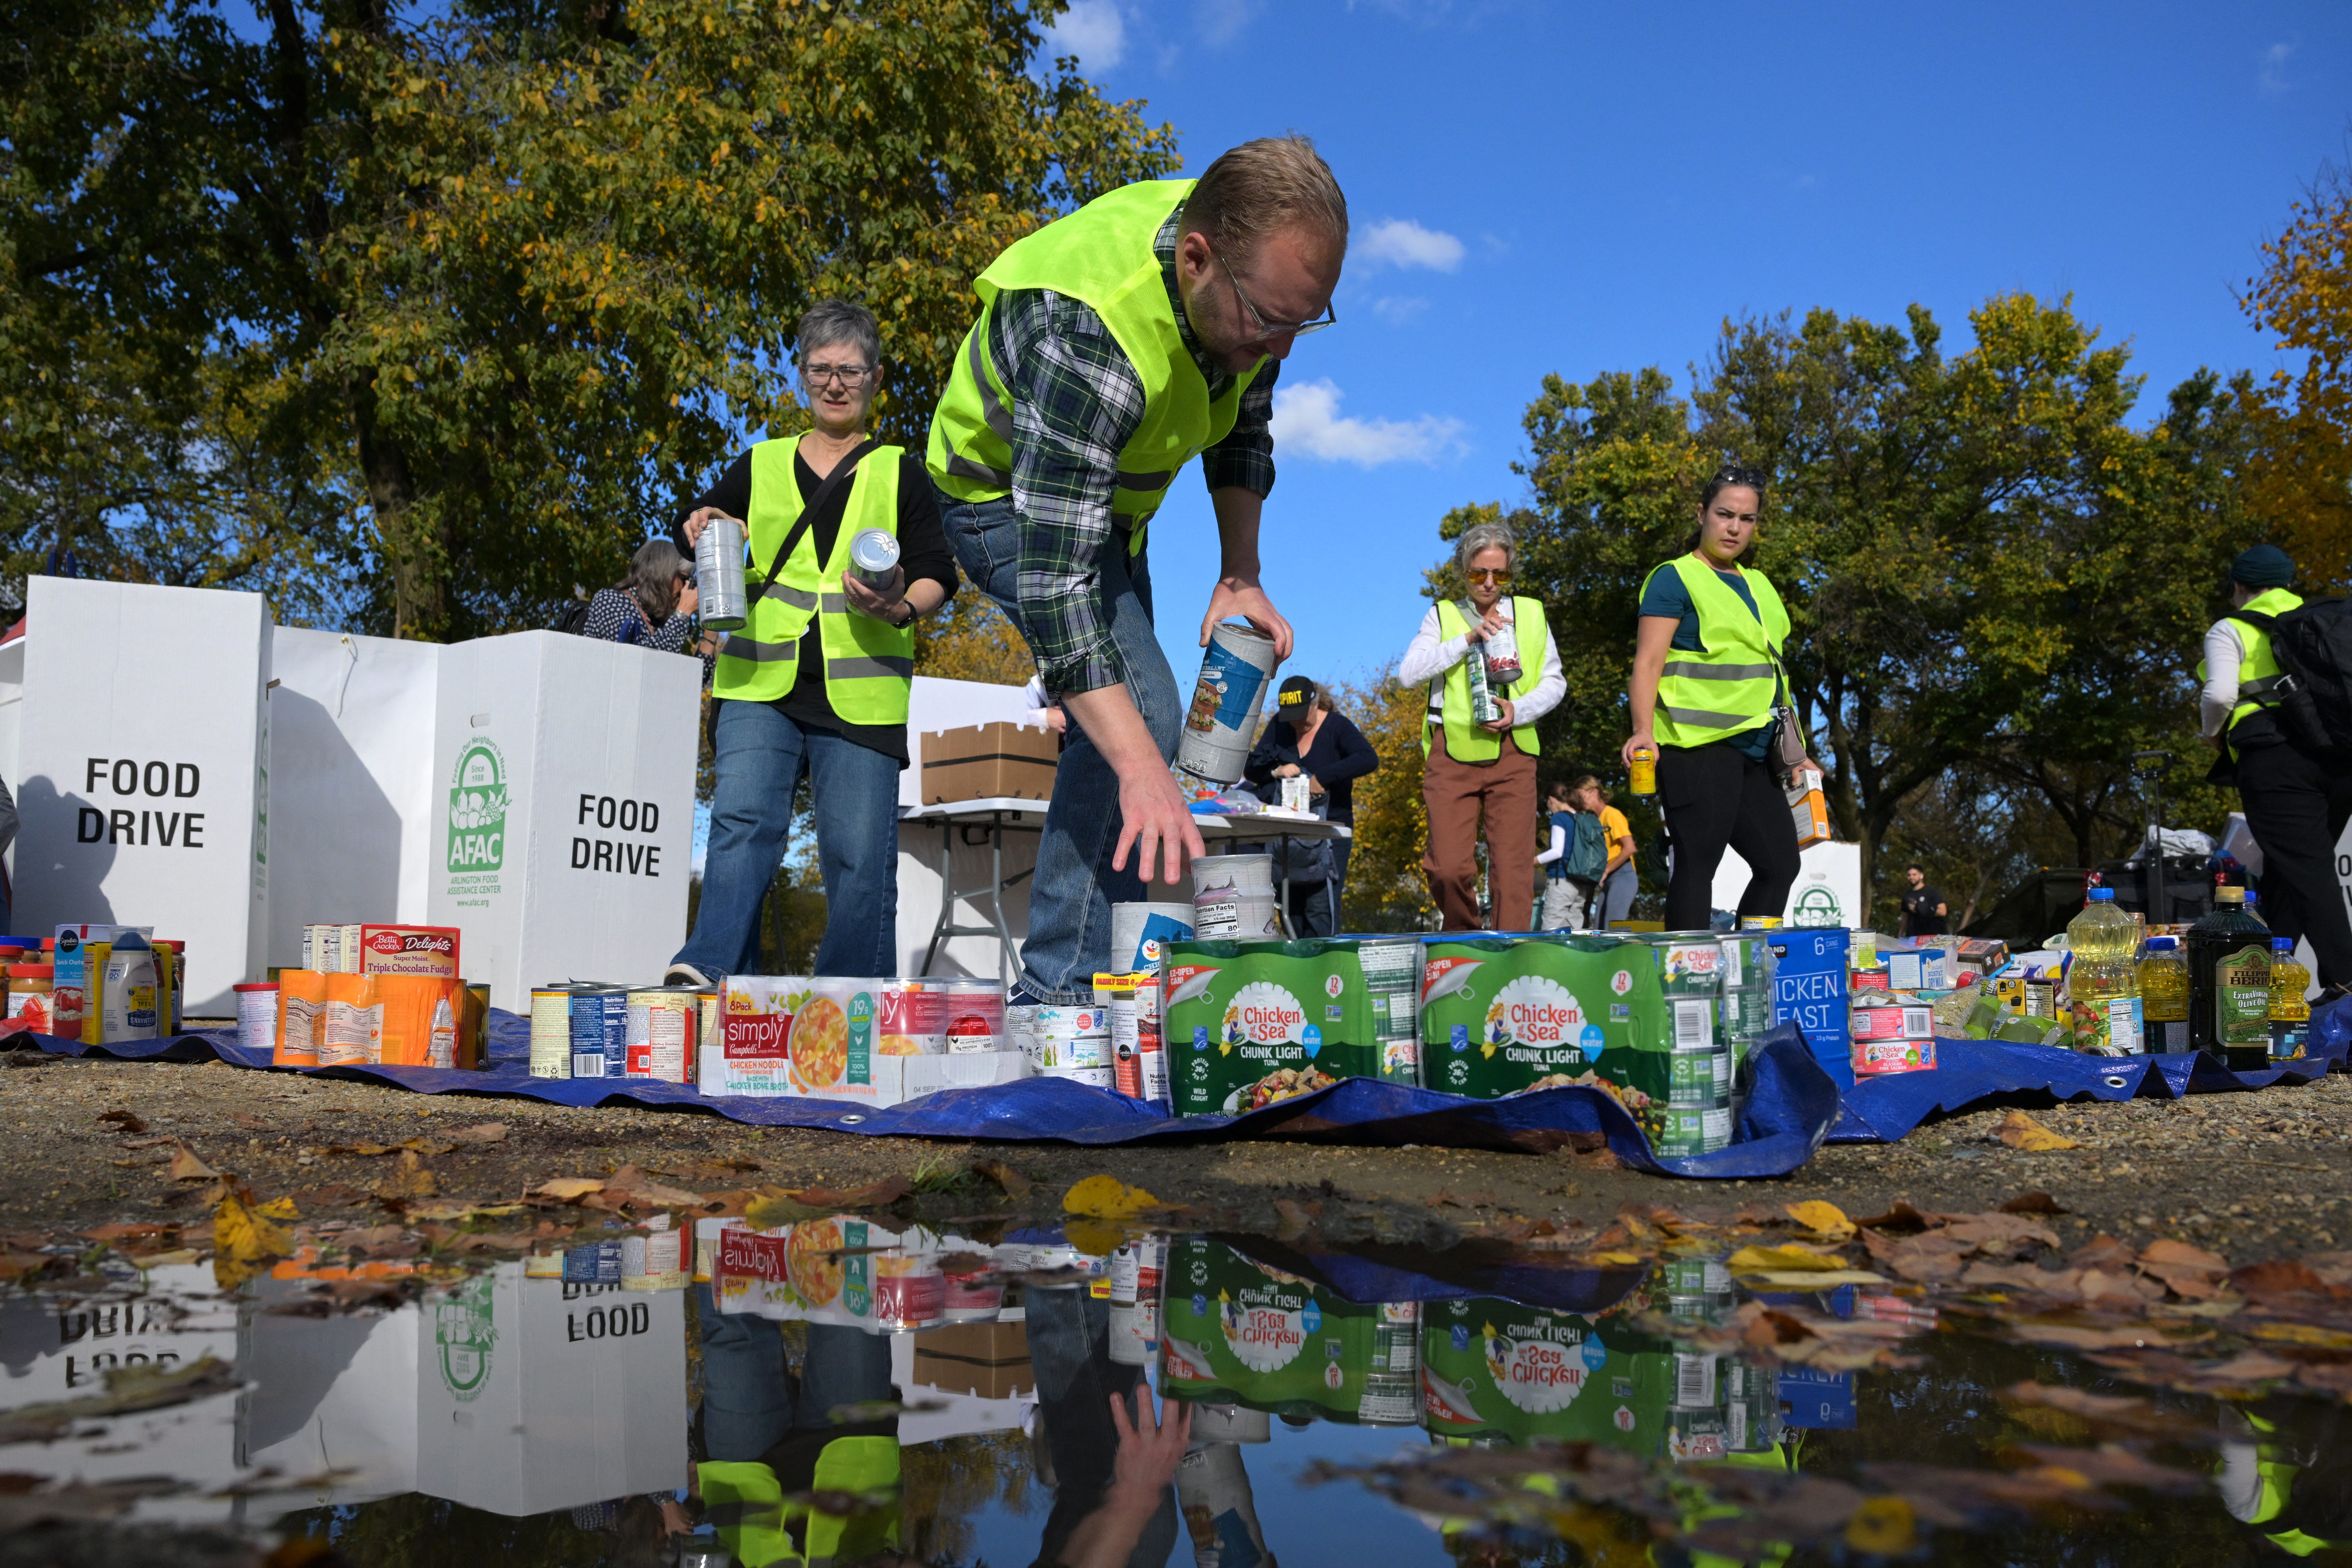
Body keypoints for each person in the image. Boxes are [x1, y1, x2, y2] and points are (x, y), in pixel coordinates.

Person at [927, 136, 1347, 1007]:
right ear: (1197, 260)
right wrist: (1140, 756)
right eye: (1272, 320)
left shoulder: (1244, 284)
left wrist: (1240, 571)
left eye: (1306, 321)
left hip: (1106, 511)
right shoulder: (1088, 333)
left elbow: (1241, 426)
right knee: (1143, 721)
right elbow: (1055, 588)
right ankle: (1057, 998)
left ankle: (1111, 979)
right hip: (999, 503)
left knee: (1130, 742)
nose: (1284, 348)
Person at [664, 300, 958, 986]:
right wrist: (702, 520)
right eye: (821, 370)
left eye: (849, 370)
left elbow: (940, 573)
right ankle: (709, 975)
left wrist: (901, 607)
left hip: (862, 694)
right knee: (741, 826)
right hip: (760, 681)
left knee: (859, 859)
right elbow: (703, 525)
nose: (834, 383)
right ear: (800, 376)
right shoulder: (759, 462)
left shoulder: (899, 472)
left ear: (874, 378)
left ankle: (848, 1004)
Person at [1622, 465, 1819, 933]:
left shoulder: (1760, 585)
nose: (1734, 528)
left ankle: (1747, 968)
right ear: (1702, 514)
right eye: (1725, 514)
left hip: (1756, 748)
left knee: (1779, 864)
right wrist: (1642, 730)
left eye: (1747, 519)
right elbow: (1647, 663)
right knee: (1698, 863)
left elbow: (1774, 674)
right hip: (1696, 746)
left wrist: (1797, 752)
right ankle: (1682, 986)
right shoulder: (1674, 579)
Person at [2199, 543, 2352, 999]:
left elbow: (2221, 694)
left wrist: (2212, 733)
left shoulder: (2231, 628)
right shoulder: (2323, 620)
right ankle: (2254, 985)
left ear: (2239, 587)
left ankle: (2346, 983)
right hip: (2341, 757)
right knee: (2289, 873)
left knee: (2307, 872)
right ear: (2288, 582)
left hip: (2275, 760)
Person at [1400, 518, 1565, 930]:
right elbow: (1408, 674)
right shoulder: (1442, 615)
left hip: (1515, 752)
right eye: (1478, 573)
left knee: (1514, 871)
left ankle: (1510, 956)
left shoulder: (1530, 613)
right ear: (1463, 570)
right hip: (1453, 751)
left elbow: (1555, 682)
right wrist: (1468, 639)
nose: (1489, 583)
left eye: (1500, 573)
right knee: (1447, 868)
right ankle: (1467, 939)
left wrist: (1519, 711)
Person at [1243, 675, 1379, 936]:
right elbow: (1253, 769)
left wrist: (1323, 778)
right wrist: (1277, 771)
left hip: (1330, 836)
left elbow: (1368, 759)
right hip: (1288, 836)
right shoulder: (1280, 726)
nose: (1296, 723)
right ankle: (1299, 965)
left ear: (1316, 704)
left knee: (1320, 907)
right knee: (1290, 908)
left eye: (1302, 716)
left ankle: (1326, 969)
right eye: (1290, 716)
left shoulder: (1337, 727)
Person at [575, 539, 716, 681]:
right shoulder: (610, 601)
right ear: (662, 573)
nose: (686, 587)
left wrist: (713, 627)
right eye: (684, 578)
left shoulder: (659, 623)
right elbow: (641, 666)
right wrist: (683, 613)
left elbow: (689, 683)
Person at [1533, 779, 1594, 931]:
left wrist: (1533, 861)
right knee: (1575, 929)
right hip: (1581, 883)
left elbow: (1557, 851)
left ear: (1551, 800)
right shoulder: (1581, 819)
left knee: (1552, 928)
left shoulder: (1559, 818)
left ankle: (1549, 956)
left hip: (1562, 881)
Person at [1588, 777, 1637, 927]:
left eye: (1582, 796)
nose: (1580, 801)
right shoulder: (1595, 820)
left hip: (1623, 874)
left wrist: (1607, 870)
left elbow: (1630, 848)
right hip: (1609, 876)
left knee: (1613, 927)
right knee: (1599, 928)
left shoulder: (1612, 815)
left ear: (1595, 792)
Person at [1900, 864, 1949, 937]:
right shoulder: (1907, 895)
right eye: (1909, 875)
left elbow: (1943, 911)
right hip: (1913, 937)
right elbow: (1905, 917)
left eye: (1914, 875)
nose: (1911, 877)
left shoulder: (1931, 892)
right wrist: (1900, 936)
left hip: (1932, 936)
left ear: (1921, 876)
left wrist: (1922, 910)